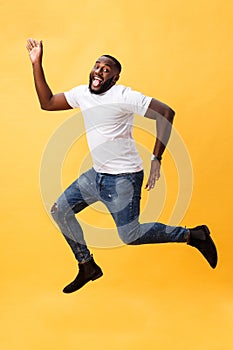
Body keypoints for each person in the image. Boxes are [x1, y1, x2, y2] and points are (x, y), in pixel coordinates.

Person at [26, 38, 218, 294]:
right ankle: (87, 266)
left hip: (124, 179)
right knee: (60, 210)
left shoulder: (124, 96)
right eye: (97, 66)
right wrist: (37, 63)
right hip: (97, 176)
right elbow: (47, 102)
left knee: (131, 235)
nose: (99, 72)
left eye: (106, 70)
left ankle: (194, 235)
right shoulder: (82, 94)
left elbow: (166, 112)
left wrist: (156, 157)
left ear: (114, 78)